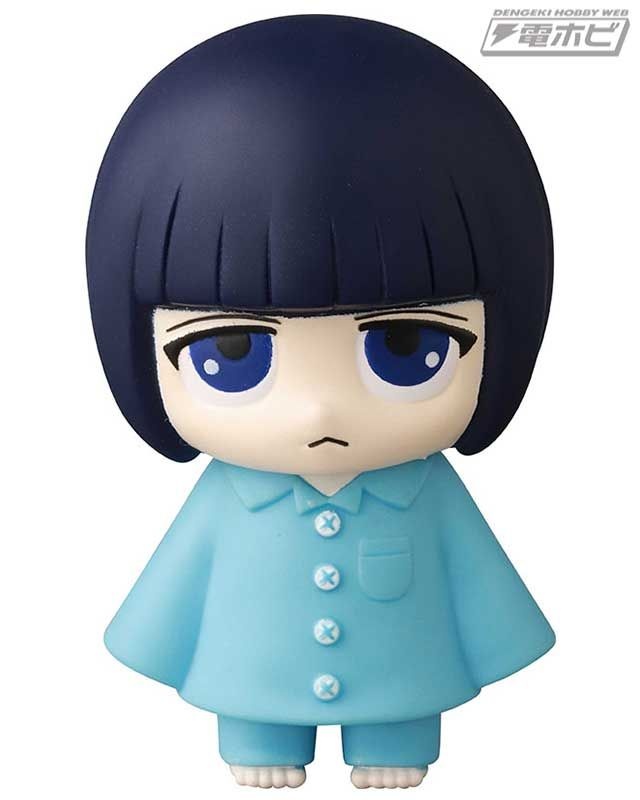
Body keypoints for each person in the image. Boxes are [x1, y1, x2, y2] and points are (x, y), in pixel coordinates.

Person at [87, 15, 555, 789]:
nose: (319, 413)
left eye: (406, 347)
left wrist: (503, 644)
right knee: (254, 724)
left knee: (402, 719)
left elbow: (483, 594)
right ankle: (261, 739)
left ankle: (394, 743)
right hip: (250, 683)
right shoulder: (228, 499)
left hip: (406, 682)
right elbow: (170, 598)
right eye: (232, 354)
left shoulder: (428, 495)